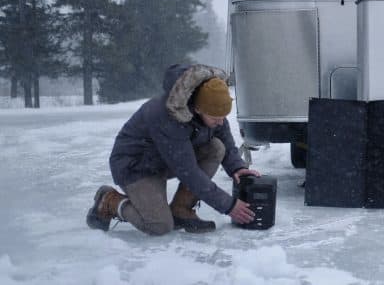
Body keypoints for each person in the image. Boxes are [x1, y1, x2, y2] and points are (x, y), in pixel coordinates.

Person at [86, 64, 260, 235]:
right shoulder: (167, 116)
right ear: (198, 109)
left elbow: (225, 139)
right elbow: (188, 172)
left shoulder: (210, 105)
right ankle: (109, 200)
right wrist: (228, 206)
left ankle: (180, 209)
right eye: (216, 118)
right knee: (159, 225)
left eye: (224, 117)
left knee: (216, 147)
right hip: (135, 166)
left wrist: (238, 167)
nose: (221, 122)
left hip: (162, 160)